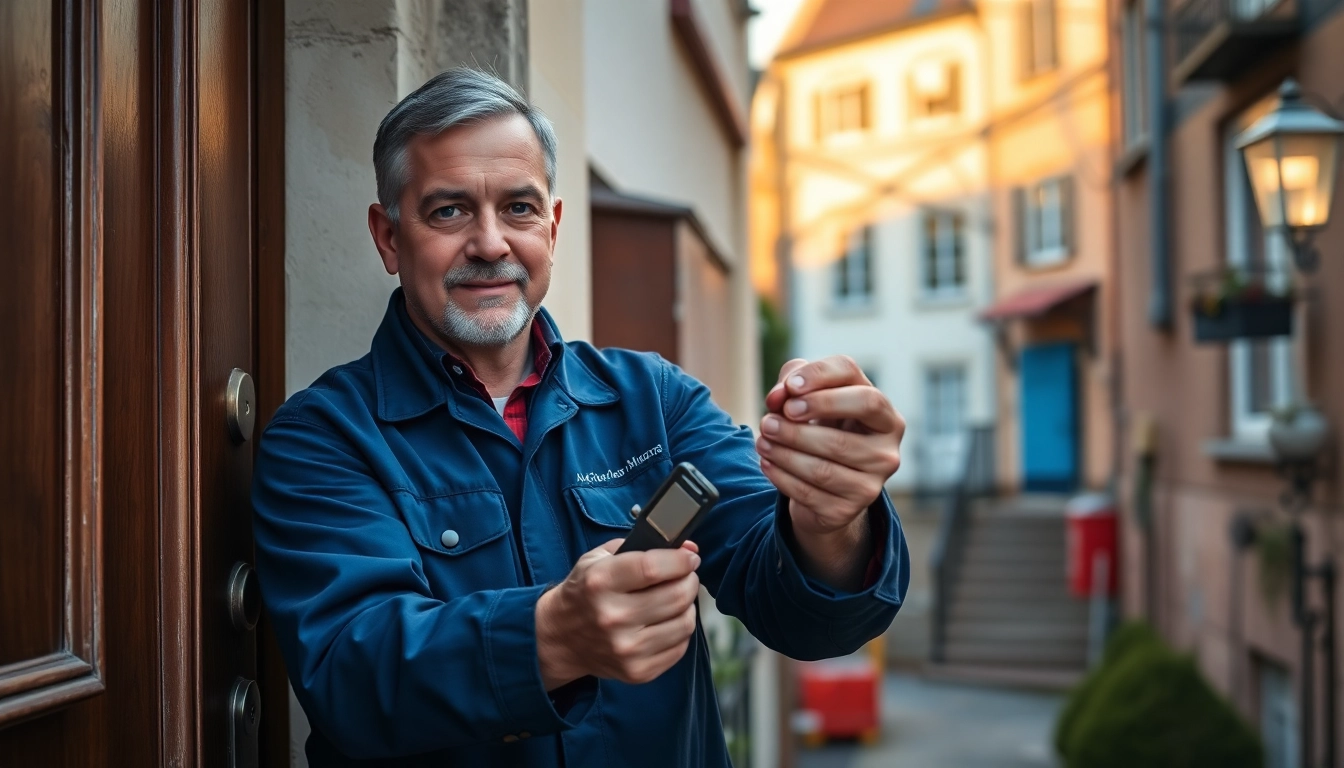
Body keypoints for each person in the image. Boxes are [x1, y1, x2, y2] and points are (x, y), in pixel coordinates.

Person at [252, 68, 910, 768]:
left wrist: (830, 521)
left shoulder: (654, 399)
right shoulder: (320, 439)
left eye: (518, 208)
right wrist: (552, 637)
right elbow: (350, 680)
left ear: (554, 227)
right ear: (388, 237)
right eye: (448, 211)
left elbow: (801, 613)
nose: (490, 243)